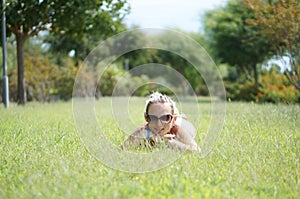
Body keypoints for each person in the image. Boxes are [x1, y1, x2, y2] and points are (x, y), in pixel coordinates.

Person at [121, 92, 199, 152]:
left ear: (173, 119)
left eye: (165, 118)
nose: (158, 124)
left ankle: (182, 116)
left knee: (181, 120)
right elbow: (121, 150)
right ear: (146, 118)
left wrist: (170, 143)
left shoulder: (177, 128)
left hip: (184, 125)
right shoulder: (144, 130)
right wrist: (147, 136)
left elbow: (196, 150)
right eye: (153, 118)